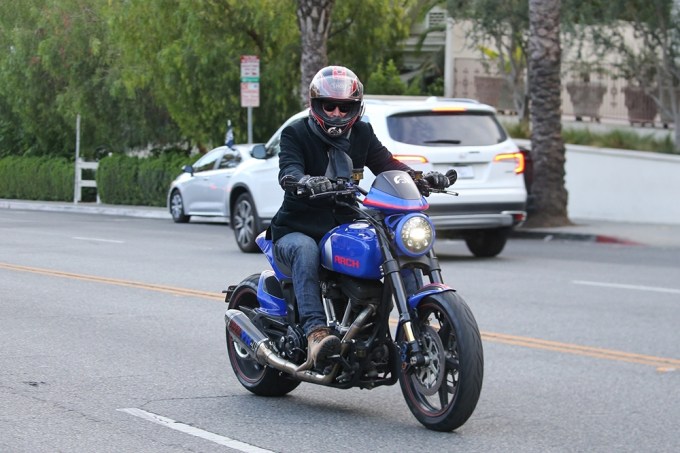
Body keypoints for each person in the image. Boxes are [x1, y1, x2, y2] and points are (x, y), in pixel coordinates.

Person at [269, 65, 450, 369]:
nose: (337, 113)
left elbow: (387, 164)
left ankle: (414, 324)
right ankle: (316, 333)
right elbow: (288, 171)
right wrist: (303, 182)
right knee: (305, 250)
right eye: (330, 105)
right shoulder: (295, 133)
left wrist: (420, 179)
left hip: (344, 223)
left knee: (390, 241)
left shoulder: (362, 132)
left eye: (345, 107)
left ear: (355, 107)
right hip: (297, 228)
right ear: (316, 106)